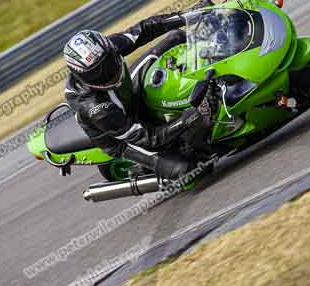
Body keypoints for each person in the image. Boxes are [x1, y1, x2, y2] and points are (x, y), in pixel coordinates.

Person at [63, 13, 209, 181]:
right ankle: (143, 168)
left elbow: (144, 29)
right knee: (189, 170)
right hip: (124, 137)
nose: (107, 74)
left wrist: (188, 16)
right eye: (96, 74)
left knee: (177, 37)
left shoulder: (106, 49)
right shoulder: (96, 108)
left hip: (127, 94)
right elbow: (149, 138)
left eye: (108, 63)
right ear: (81, 76)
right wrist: (183, 121)